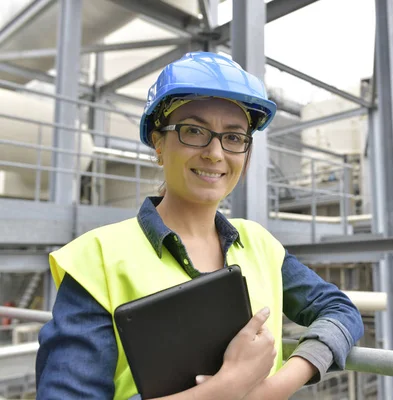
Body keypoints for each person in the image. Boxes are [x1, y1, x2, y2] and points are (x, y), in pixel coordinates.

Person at [35, 52, 364, 400]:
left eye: (234, 137)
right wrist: (226, 388)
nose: (215, 153)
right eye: (194, 131)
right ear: (158, 144)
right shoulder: (97, 260)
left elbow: (340, 310)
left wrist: (277, 385)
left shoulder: (258, 244)